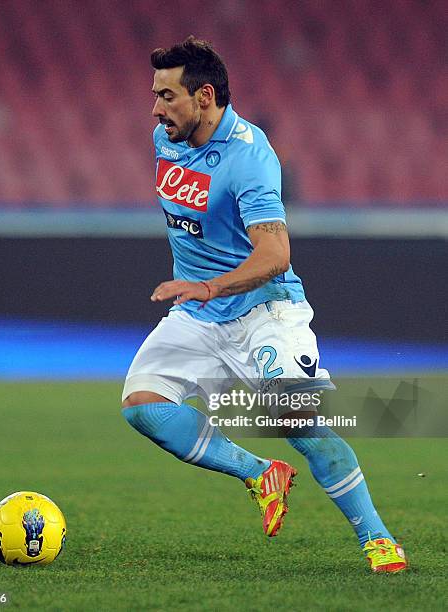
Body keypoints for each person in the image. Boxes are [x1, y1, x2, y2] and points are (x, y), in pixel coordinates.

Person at [122, 36, 406, 573]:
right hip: (198, 315)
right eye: (155, 96)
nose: (156, 109)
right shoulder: (167, 139)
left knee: (303, 424)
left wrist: (207, 285)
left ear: (205, 96)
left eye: (167, 96)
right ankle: (259, 473)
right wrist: (199, 292)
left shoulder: (252, 156)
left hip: (264, 312)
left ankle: (378, 538)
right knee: (144, 406)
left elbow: (275, 254)